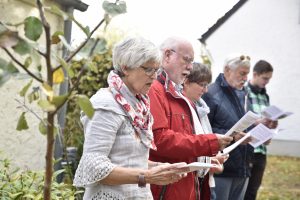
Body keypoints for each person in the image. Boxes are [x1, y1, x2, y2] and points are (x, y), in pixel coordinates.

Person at [73, 37, 188, 200]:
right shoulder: (106, 103)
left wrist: (160, 168)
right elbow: (93, 166)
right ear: (126, 68)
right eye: (149, 69)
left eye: (157, 70)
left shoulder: (139, 105)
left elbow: (129, 161)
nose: (154, 76)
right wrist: (147, 176)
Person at [148, 37, 233, 200]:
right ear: (167, 55)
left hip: (186, 189)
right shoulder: (155, 89)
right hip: (166, 190)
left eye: (192, 61)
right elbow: (159, 140)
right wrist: (210, 143)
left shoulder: (177, 93)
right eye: (186, 60)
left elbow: (185, 143)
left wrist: (207, 158)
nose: (190, 67)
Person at [202, 54, 253, 200]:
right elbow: (202, 131)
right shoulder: (210, 94)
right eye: (242, 73)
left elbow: (243, 123)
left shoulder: (243, 94)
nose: (245, 78)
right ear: (227, 70)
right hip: (221, 169)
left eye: (247, 74)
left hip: (242, 168)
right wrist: (233, 136)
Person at [183, 62, 229, 200]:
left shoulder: (201, 109)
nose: (206, 90)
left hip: (205, 181)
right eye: (202, 85)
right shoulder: (182, 110)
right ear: (186, 82)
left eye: (207, 85)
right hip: (188, 182)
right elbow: (185, 147)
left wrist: (213, 158)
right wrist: (209, 160)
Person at [244, 60, 278, 200]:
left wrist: (271, 124)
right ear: (255, 74)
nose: (267, 82)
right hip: (247, 149)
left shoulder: (265, 95)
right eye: (265, 78)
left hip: (261, 150)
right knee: (242, 192)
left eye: (269, 79)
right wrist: (257, 122)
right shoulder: (243, 92)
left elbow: (265, 119)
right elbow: (240, 120)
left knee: (252, 192)